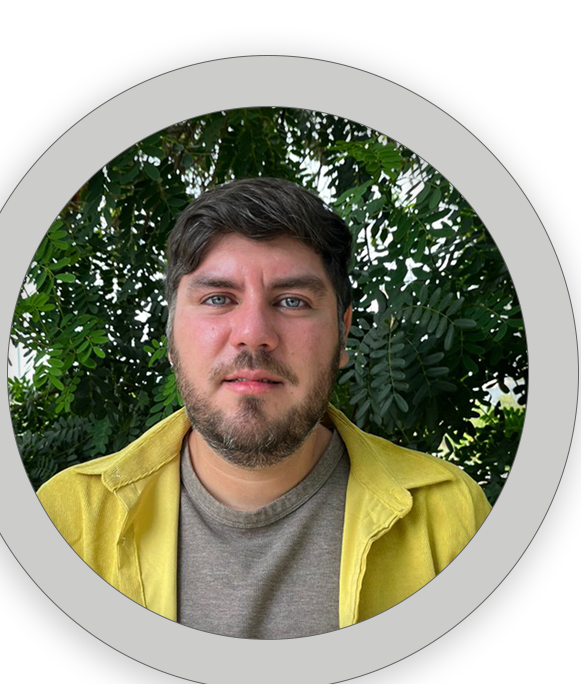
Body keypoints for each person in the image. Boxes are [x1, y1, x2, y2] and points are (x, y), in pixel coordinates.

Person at [37, 177, 491, 640]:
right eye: (218, 299)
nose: (253, 333)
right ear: (170, 335)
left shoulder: (449, 518)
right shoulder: (64, 521)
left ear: (342, 334)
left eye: (292, 301)